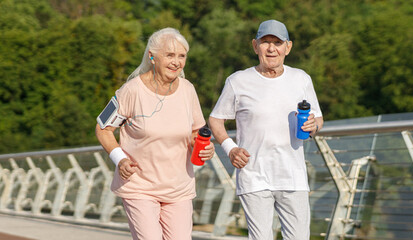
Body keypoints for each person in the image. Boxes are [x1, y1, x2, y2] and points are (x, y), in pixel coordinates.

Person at [95, 27, 214, 240]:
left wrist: (205, 147)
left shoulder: (188, 90)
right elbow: (103, 129)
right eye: (170, 55)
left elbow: (196, 132)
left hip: (178, 188)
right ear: (152, 56)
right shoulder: (131, 91)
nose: (177, 62)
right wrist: (120, 159)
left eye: (181, 56)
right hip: (139, 185)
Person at [209, 19, 323, 240]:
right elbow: (215, 119)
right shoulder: (238, 81)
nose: (271, 48)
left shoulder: (301, 78)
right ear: (255, 46)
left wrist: (313, 126)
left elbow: (318, 117)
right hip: (254, 175)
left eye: (277, 42)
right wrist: (231, 149)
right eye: (265, 42)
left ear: (287, 47)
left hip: (293, 176)